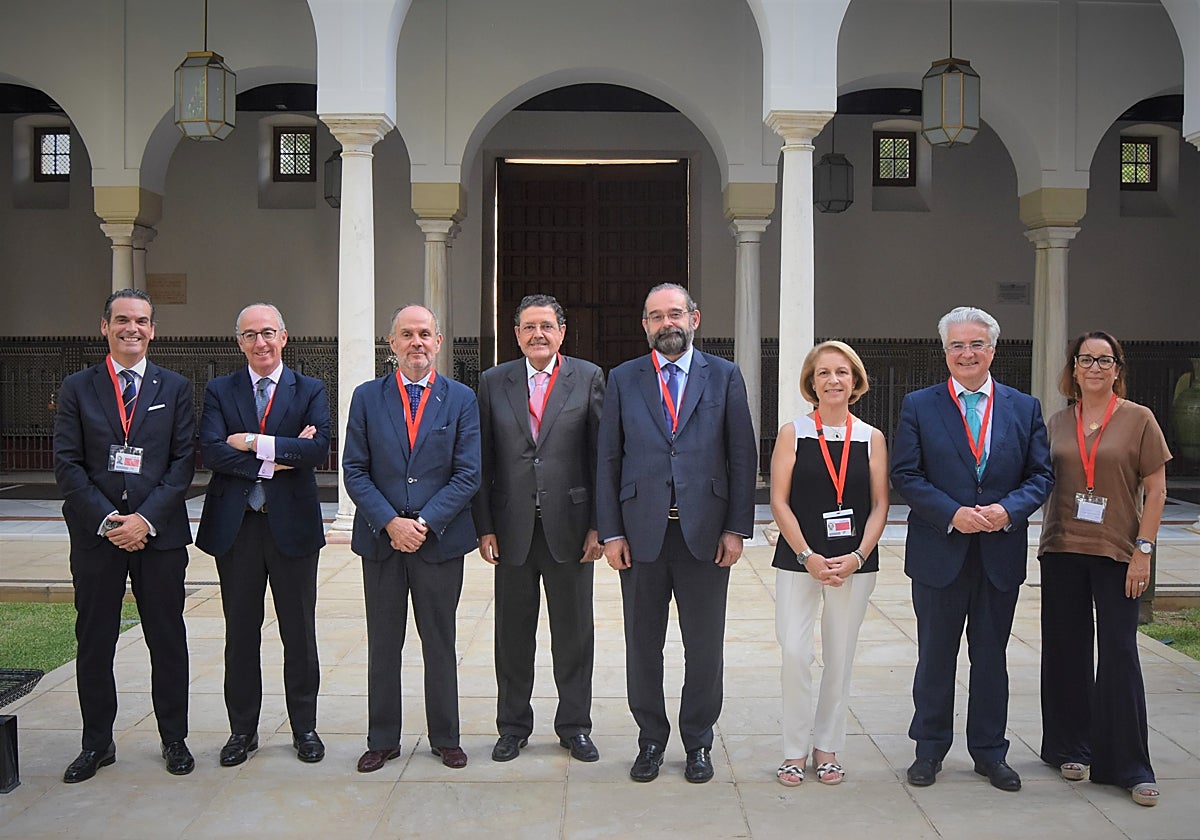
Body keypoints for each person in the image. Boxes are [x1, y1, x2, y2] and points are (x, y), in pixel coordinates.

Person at [596, 283, 757, 784]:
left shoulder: (725, 376)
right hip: (641, 536)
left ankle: (698, 742)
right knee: (644, 645)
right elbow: (608, 459)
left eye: (675, 314)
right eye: (655, 316)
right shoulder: (623, 378)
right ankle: (650, 740)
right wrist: (611, 532)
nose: (667, 323)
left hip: (705, 535)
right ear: (644, 325)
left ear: (694, 318)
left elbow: (741, 455)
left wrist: (736, 528)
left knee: (703, 646)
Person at [891, 306, 1053, 792]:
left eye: (976, 344)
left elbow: (1041, 475)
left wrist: (1009, 510)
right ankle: (929, 749)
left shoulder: (1024, 408)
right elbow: (907, 474)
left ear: (993, 350)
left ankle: (989, 752)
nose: (967, 353)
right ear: (945, 352)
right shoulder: (919, 405)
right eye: (958, 345)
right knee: (935, 657)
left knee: (991, 658)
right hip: (940, 553)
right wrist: (951, 513)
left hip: (999, 554)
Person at [53, 288, 196, 781]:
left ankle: (174, 738)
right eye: (122, 320)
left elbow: (182, 466)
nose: (131, 328)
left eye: (141, 320)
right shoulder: (78, 387)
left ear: (153, 329)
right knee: (94, 640)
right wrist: (111, 521)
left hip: (159, 536)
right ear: (105, 327)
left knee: (167, 638)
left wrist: (144, 520)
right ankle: (97, 743)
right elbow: (67, 464)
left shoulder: (174, 387)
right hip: (98, 537)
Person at [343, 304, 481, 772]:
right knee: (384, 642)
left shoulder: (462, 399)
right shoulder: (366, 397)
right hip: (382, 542)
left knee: (439, 640)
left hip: (438, 542)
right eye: (407, 334)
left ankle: (445, 737)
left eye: (425, 333)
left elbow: (467, 474)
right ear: (392, 343)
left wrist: (422, 523)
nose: (416, 342)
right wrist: (389, 522)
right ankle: (382, 738)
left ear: (438, 342)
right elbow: (355, 470)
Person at [196, 303, 331, 766]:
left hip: (291, 528)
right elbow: (212, 452)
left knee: (300, 633)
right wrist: (281, 455)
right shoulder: (220, 389)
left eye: (268, 333)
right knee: (241, 634)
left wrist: (252, 443)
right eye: (251, 335)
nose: (261, 342)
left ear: (284, 337)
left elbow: (316, 451)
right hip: (237, 530)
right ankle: (242, 731)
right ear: (239, 342)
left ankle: (305, 728)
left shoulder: (309, 388)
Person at [1037, 331, 1169, 807]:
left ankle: (1129, 764)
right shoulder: (1055, 422)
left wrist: (1144, 550)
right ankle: (1070, 746)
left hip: (1117, 553)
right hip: (1061, 549)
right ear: (1073, 367)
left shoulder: (1139, 419)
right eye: (1085, 359)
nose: (1095, 367)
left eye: (1104, 359)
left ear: (1118, 368)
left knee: (1118, 653)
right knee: (1066, 650)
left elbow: (1156, 490)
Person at [473, 294, 605, 764]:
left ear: (562, 332)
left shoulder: (587, 377)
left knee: (573, 634)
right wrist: (484, 526)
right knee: (512, 636)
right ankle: (512, 726)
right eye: (528, 327)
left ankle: (575, 726)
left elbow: (599, 459)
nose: (538, 334)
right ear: (516, 334)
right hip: (511, 530)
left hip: (571, 529)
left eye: (546, 326)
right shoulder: (492, 382)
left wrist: (599, 527)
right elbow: (483, 459)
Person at [770, 341, 889, 787]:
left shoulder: (870, 437)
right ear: (811, 382)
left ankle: (827, 747)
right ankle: (792, 749)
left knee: (840, 656)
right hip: (800, 558)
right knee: (795, 652)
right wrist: (806, 554)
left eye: (842, 372)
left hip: (853, 563)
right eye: (823, 373)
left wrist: (858, 555)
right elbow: (779, 501)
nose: (833, 380)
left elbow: (881, 505)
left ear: (855, 381)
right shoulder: (793, 432)